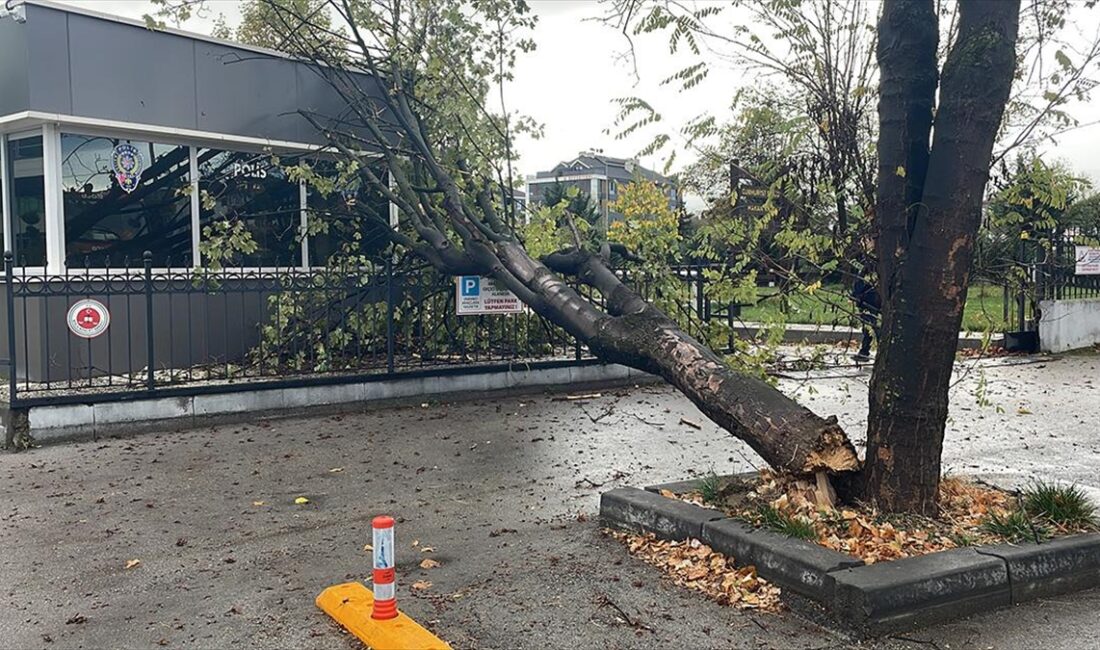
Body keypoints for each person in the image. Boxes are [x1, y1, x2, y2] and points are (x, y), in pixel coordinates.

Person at [850, 253, 881, 363]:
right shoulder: (866, 259)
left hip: (870, 298)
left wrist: (857, 294)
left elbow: (865, 281)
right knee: (868, 326)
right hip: (864, 299)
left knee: (871, 326)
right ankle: (865, 351)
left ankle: (866, 351)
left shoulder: (874, 261)